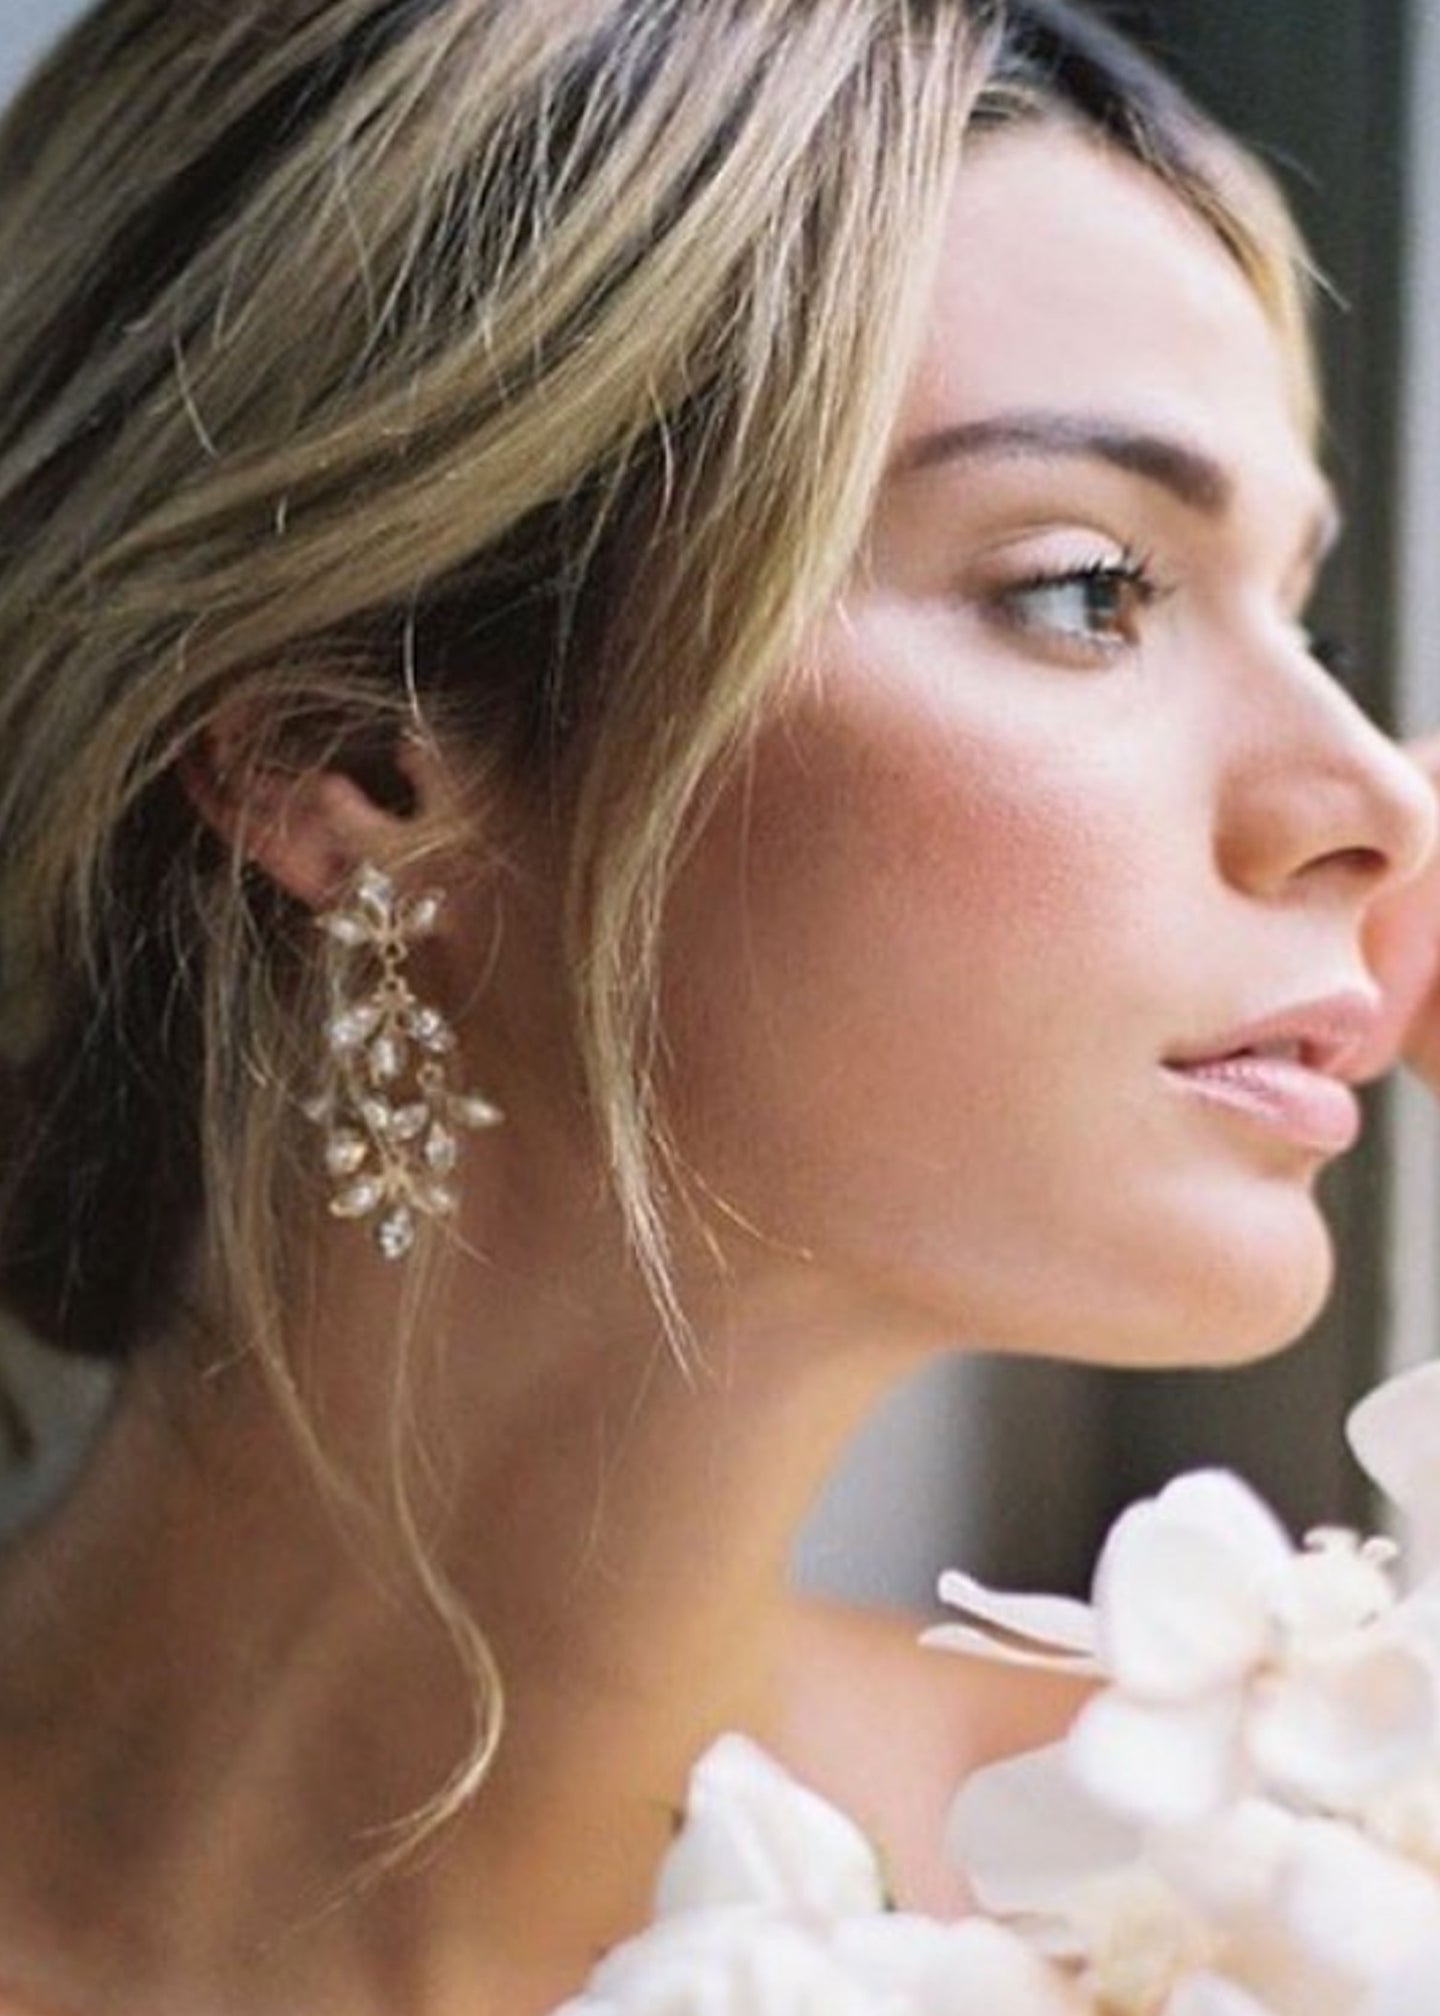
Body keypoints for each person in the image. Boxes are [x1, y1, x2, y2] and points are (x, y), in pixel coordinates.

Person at [0, 1, 1434, 2012]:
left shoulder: (1262, 1883)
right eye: (1092, 586)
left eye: (1317, 618)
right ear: (356, 754)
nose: (1382, 789)